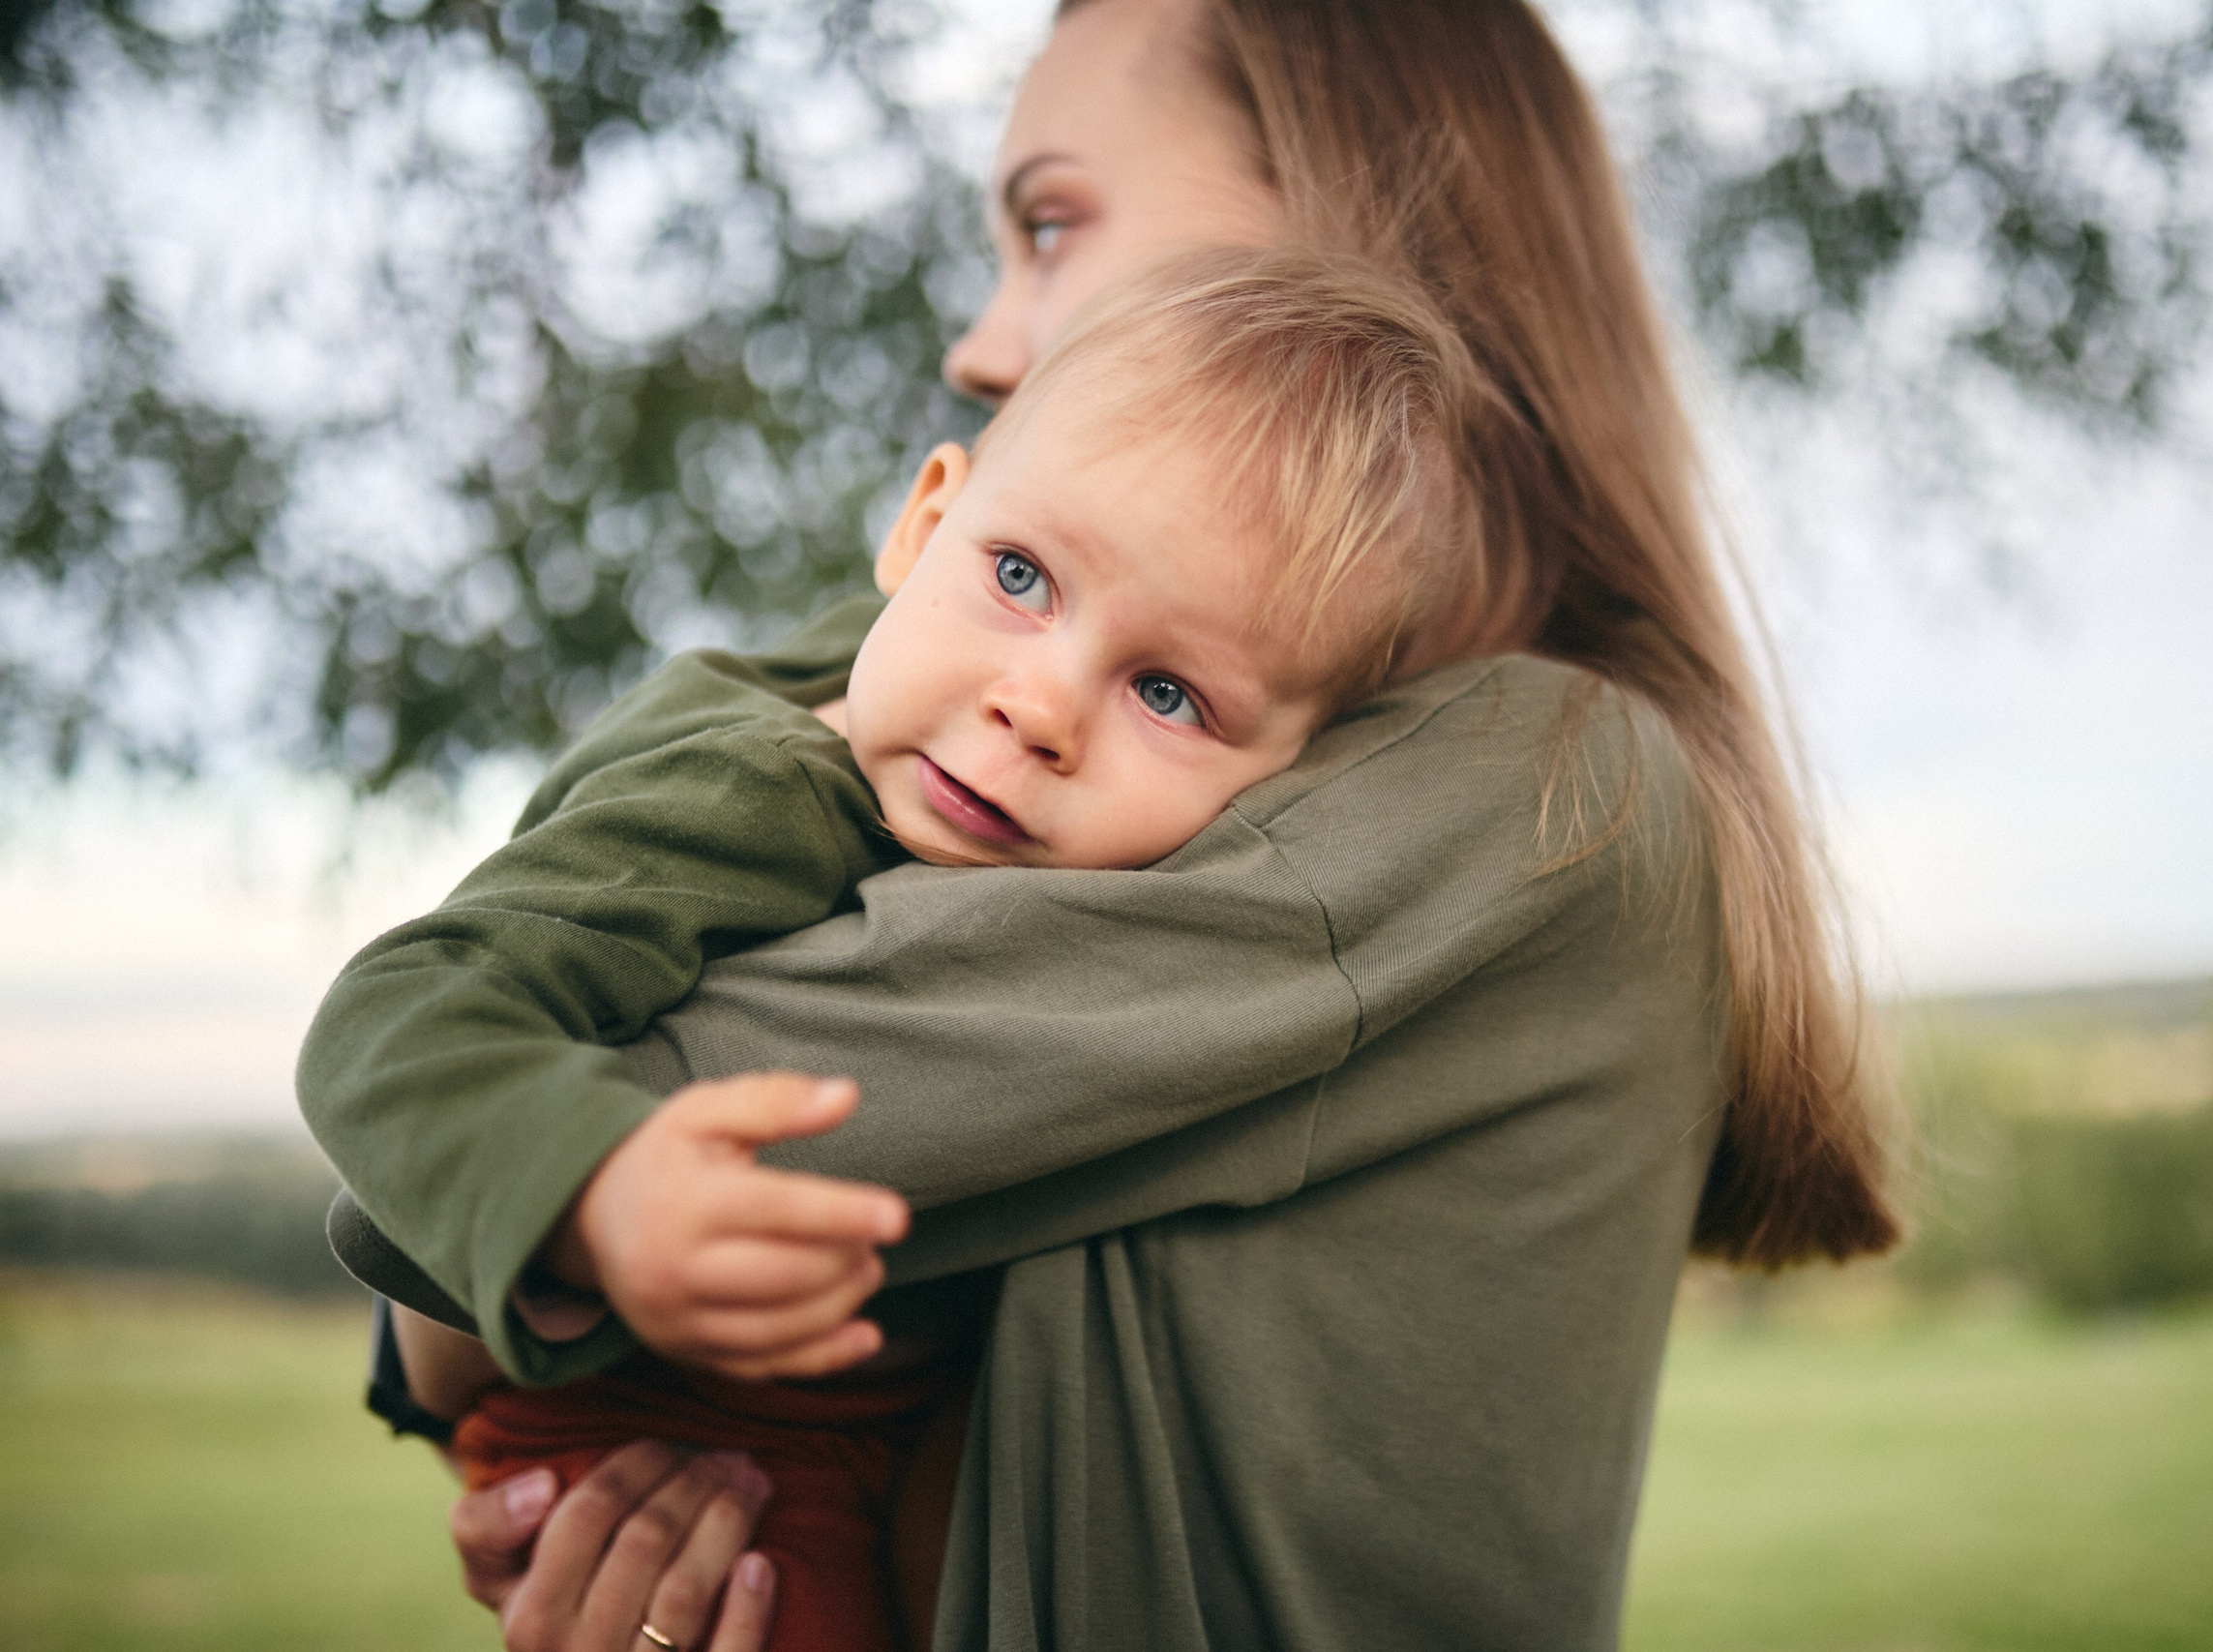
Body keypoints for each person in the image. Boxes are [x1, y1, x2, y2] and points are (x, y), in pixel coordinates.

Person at [321, 0, 1905, 1648]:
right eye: (1013, 575)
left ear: (1349, 218)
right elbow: (454, 1170)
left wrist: (515, 1266)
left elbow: (455, 1210)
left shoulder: (1529, 791)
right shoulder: (1002, 719)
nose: (985, 343)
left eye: (1055, 223)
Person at [300, 245, 1491, 1652]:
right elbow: (397, 1012)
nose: (1040, 706)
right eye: (1022, 576)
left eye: (1168, 692)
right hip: (685, 1450)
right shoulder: (749, 794)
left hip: (886, 1412)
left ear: (1301, 776)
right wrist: (597, 1194)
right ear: (922, 528)